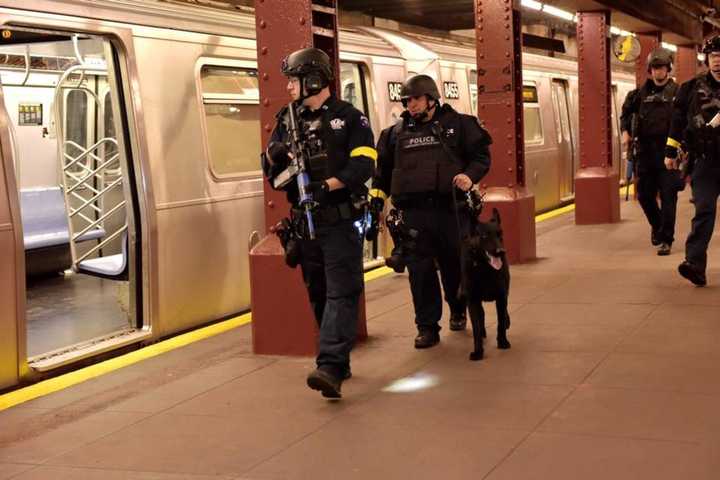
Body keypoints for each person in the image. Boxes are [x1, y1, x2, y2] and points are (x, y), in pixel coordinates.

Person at [261, 48, 375, 398]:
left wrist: (327, 186)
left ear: (313, 80)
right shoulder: (286, 121)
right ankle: (339, 358)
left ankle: (329, 367)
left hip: (340, 221)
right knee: (320, 294)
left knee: (343, 291)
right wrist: (274, 157)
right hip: (304, 224)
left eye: (293, 81)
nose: (290, 88)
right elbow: (271, 176)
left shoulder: (350, 118)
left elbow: (364, 165)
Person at [372, 74, 491, 349]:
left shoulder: (460, 126)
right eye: (407, 100)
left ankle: (458, 309)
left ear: (432, 98)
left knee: (454, 267)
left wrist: (469, 176)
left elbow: (482, 157)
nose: (410, 104)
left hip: (452, 212)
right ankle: (427, 327)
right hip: (414, 216)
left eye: (416, 99)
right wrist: (376, 203)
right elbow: (382, 175)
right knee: (420, 271)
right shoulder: (394, 135)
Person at [665, 35, 720, 286]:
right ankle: (695, 264)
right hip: (705, 161)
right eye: (714, 56)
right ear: (707, 60)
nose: (718, 61)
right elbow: (677, 122)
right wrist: (670, 152)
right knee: (704, 209)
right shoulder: (690, 88)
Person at [621, 47, 680, 256]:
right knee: (645, 195)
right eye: (654, 68)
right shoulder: (638, 94)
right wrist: (625, 133)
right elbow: (625, 114)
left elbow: (685, 120)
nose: (658, 72)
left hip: (669, 152)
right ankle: (657, 226)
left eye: (662, 68)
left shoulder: (678, 93)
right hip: (645, 152)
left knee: (668, 197)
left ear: (668, 69)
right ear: (650, 70)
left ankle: (666, 240)